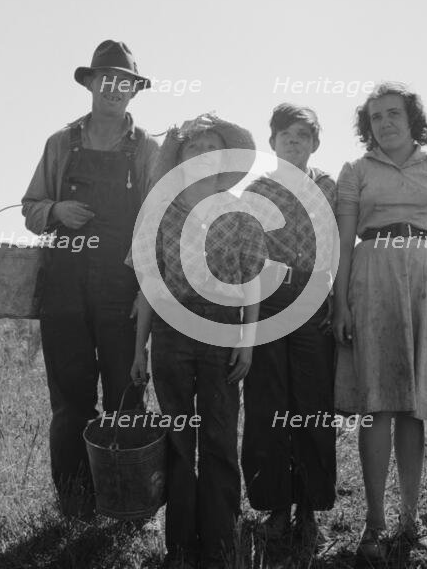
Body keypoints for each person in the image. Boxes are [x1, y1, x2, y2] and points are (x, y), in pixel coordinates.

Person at [333, 82, 427, 561]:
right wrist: (340, 304)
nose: (385, 123)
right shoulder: (356, 171)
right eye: (375, 117)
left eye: (394, 114)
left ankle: (410, 522)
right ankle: (374, 524)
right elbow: (343, 243)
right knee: (378, 405)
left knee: (416, 406)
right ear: (367, 126)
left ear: (413, 119)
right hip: (371, 281)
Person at [22, 40, 159, 519]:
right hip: (63, 290)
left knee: (126, 394)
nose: (115, 89)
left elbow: (157, 222)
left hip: (122, 292)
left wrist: (147, 291)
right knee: (70, 402)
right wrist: (56, 209)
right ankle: (76, 506)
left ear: (134, 91)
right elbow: (30, 209)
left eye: (125, 82)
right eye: (107, 80)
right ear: (91, 84)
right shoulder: (60, 143)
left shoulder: (147, 149)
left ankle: (129, 506)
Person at [128, 114, 267, 569]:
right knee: (179, 438)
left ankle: (221, 546)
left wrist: (246, 343)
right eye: (194, 147)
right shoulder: (161, 213)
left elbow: (251, 283)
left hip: (224, 330)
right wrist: (139, 349)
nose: (203, 153)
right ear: (181, 157)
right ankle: (181, 548)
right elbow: (150, 284)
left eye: (213, 146)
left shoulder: (240, 212)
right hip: (172, 331)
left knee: (221, 438)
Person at [241, 103, 337, 549]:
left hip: (315, 297)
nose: (294, 143)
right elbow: (249, 258)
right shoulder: (257, 190)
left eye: (303, 136)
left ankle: (310, 509)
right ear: (272, 142)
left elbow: (338, 247)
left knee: (312, 400)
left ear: (315, 144)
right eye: (286, 136)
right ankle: (275, 506)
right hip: (270, 297)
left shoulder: (328, 187)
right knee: (268, 400)